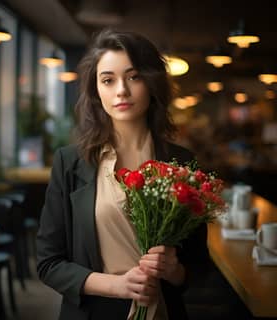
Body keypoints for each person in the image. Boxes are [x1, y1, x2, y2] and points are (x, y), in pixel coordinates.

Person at [36, 29, 209, 320]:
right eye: (108, 80)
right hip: (93, 312)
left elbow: (199, 268)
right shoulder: (70, 162)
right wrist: (117, 285)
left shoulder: (183, 163)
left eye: (134, 77)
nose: (121, 91)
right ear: (96, 90)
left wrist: (175, 271)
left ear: (152, 82)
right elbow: (49, 263)